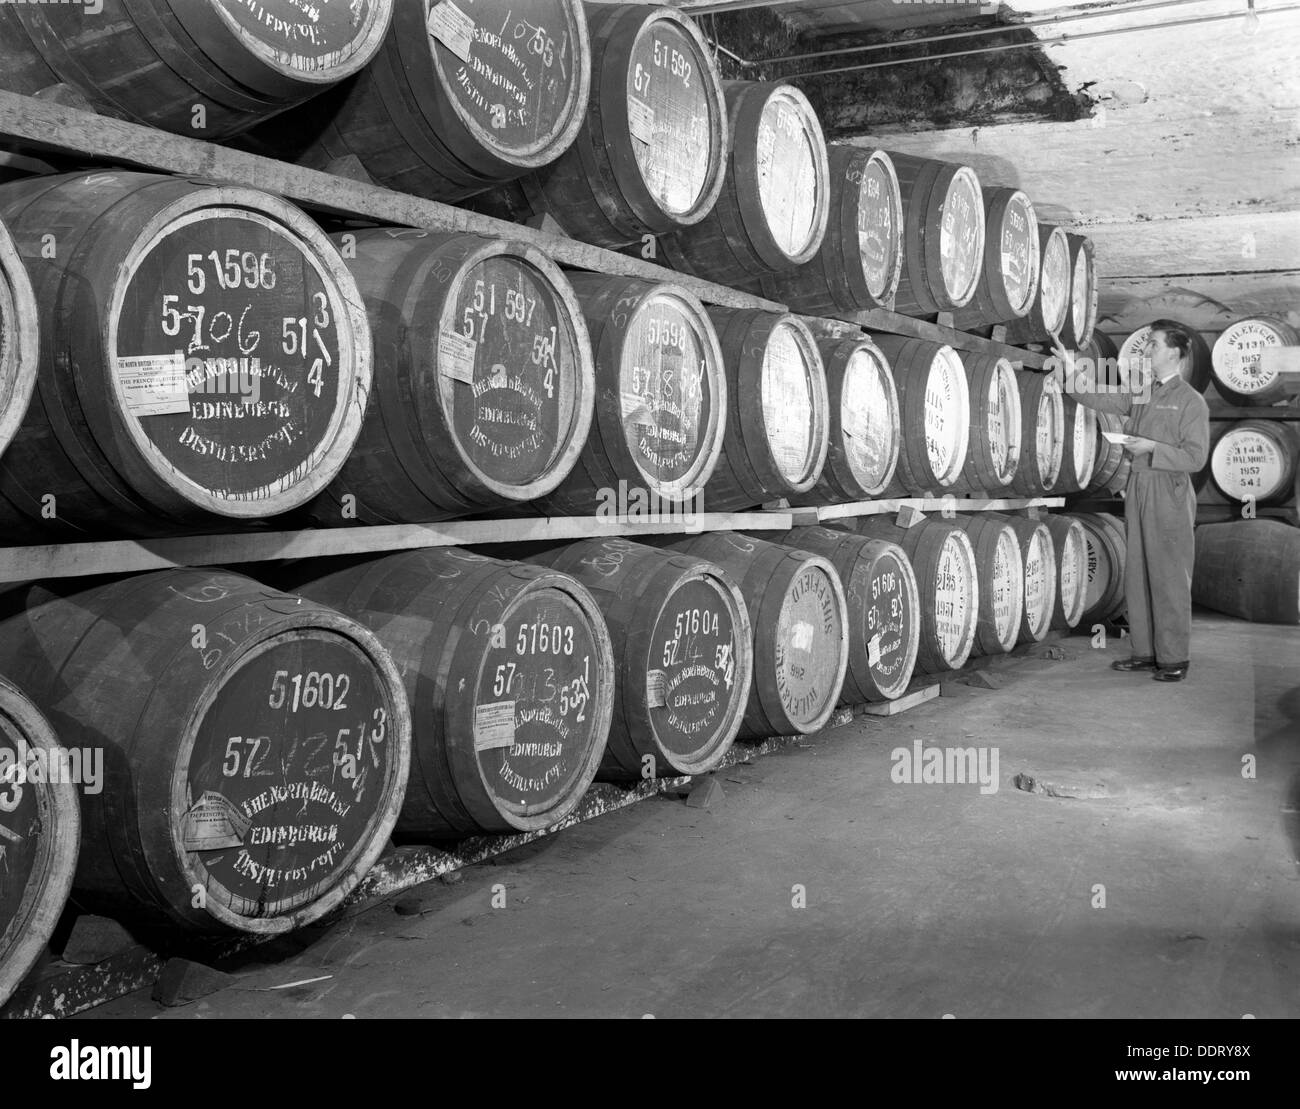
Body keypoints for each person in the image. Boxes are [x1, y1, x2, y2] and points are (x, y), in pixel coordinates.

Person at [1052, 322, 1210, 682]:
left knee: (1169, 575)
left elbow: (1196, 458)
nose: (1146, 350)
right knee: (1137, 572)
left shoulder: (1191, 401)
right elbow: (1099, 398)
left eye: (1153, 345)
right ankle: (1144, 652)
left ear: (1174, 352)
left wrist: (1152, 447)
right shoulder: (1142, 389)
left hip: (1168, 490)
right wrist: (1069, 368)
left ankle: (1173, 658)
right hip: (1137, 484)